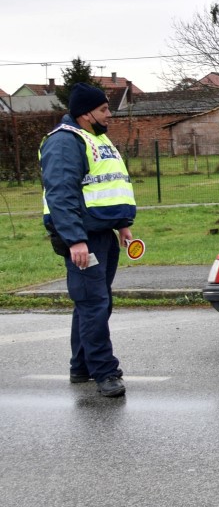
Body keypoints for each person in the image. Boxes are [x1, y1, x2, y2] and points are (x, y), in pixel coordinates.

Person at [39, 83, 137, 398]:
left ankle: (81, 366)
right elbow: (61, 195)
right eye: (103, 109)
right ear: (85, 113)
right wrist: (75, 240)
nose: (109, 115)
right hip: (83, 238)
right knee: (94, 304)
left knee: (93, 303)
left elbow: (107, 186)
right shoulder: (64, 142)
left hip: (102, 234)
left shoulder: (96, 138)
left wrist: (122, 226)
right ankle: (105, 372)